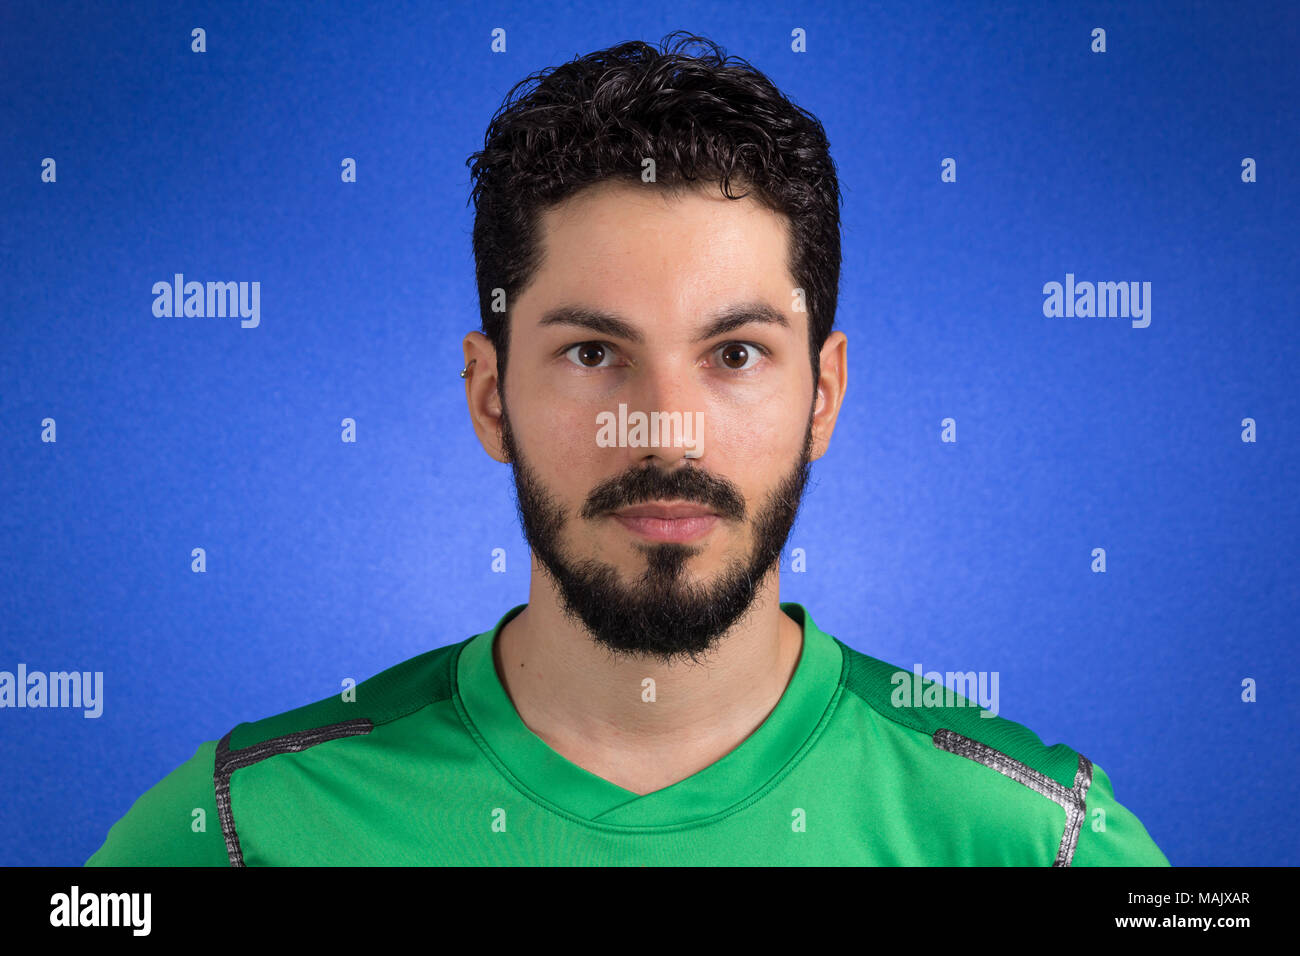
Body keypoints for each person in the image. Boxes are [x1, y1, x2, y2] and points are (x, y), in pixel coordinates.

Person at [87, 31, 1168, 866]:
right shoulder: (243, 825)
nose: (663, 426)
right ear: (489, 394)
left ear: (823, 393)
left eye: (736, 353)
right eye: (595, 351)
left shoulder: (1040, 838)